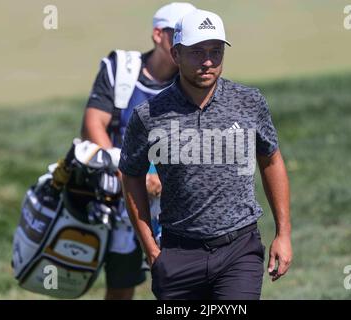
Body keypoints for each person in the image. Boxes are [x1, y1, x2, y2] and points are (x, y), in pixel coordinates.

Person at [119, 9, 292, 300]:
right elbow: (131, 175)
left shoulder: (249, 102)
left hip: (240, 248)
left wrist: (283, 234)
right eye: (197, 52)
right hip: (177, 254)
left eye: (216, 51)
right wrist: (151, 249)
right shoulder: (149, 115)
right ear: (176, 54)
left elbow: (271, 161)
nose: (208, 61)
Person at [80, 2, 197, 300]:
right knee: (121, 284)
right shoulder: (120, 68)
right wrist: (132, 174)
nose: (187, 43)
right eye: (178, 34)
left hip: (176, 203)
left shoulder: (196, 80)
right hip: (119, 199)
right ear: (158, 35)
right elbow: (94, 125)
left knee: (182, 286)